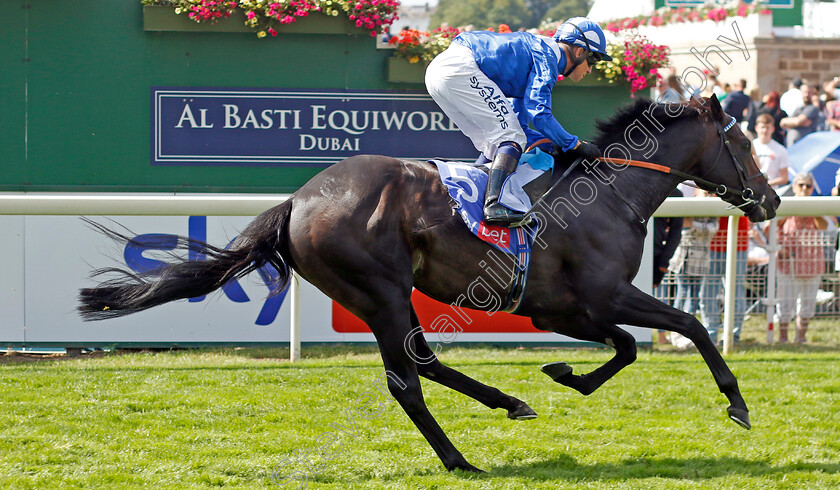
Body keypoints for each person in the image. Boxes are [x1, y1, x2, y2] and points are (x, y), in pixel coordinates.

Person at [424, 17, 610, 226]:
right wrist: (573, 144)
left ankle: (471, 201)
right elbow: (539, 114)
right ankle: (493, 205)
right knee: (511, 138)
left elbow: (520, 122)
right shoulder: (548, 56)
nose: (590, 70)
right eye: (592, 61)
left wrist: (552, 143)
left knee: (497, 143)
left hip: (437, 72)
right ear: (578, 52)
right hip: (459, 69)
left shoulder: (536, 54)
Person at [774, 173, 827, 343]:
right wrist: (779, 248)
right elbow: (772, 226)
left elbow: (824, 226)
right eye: (801, 185)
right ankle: (783, 338)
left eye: (808, 186)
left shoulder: (816, 205)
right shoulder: (785, 204)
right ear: (795, 186)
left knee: (808, 302)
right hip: (788, 260)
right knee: (785, 301)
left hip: (812, 260)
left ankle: (801, 337)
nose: (804, 189)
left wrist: (814, 210)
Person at [668, 189, 718, 347]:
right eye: (706, 192)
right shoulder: (690, 204)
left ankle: (686, 331)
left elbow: (712, 229)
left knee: (694, 295)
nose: (709, 195)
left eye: (711, 193)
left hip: (701, 258)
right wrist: (700, 227)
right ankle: (675, 331)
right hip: (684, 256)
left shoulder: (714, 209)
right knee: (682, 292)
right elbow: (683, 225)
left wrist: (694, 225)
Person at [701, 215, 750, 344]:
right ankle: (710, 334)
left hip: (737, 243)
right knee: (708, 292)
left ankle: (732, 335)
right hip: (712, 243)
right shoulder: (708, 193)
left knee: (735, 291)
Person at [752, 113, 790, 189]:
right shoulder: (750, 146)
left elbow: (784, 178)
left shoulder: (780, 149)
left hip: (771, 191)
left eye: (767, 127)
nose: (765, 130)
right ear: (756, 128)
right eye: (762, 127)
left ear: (772, 129)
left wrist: (767, 184)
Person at [781, 83, 821, 147]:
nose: (807, 95)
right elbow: (783, 123)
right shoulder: (798, 109)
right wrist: (798, 122)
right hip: (792, 145)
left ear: (813, 94)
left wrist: (793, 123)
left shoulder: (813, 108)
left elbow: (799, 121)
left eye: (809, 92)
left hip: (805, 146)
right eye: (805, 92)